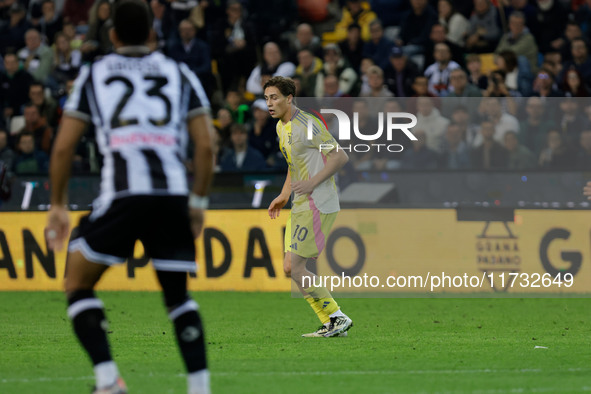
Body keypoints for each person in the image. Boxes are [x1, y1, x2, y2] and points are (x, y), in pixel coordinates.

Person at [44, 1, 214, 393]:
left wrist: (57, 205)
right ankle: (200, 387)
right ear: (154, 33)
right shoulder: (179, 72)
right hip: (172, 195)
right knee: (178, 298)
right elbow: (206, 148)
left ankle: (108, 381)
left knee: (77, 282)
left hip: (122, 194)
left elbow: (63, 148)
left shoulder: (94, 74)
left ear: (113, 35)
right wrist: (198, 204)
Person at [264, 76, 353, 338]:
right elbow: (294, 166)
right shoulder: (282, 127)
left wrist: (312, 182)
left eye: (275, 97)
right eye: (267, 98)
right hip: (300, 203)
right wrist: (284, 194)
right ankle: (331, 321)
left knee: (295, 267)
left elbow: (339, 156)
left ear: (289, 98)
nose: (270, 103)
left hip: (318, 201)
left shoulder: (308, 124)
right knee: (291, 268)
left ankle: (337, 317)